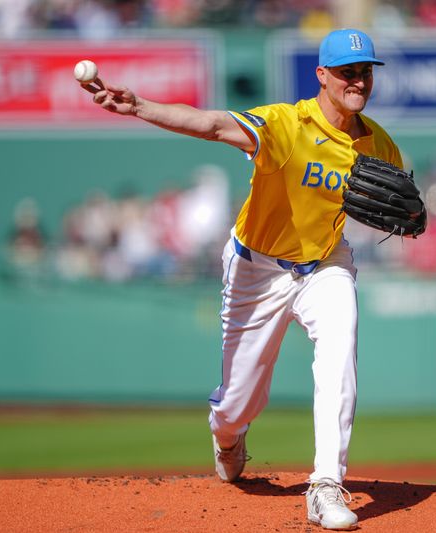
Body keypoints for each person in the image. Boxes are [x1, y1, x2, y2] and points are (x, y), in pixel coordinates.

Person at [87, 28, 403, 531]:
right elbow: (212, 124)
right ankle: (228, 436)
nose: (358, 80)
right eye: (347, 71)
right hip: (257, 268)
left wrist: (411, 219)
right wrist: (140, 106)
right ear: (322, 76)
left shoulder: (379, 144)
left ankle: (325, 485)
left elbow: (394, 208)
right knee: (238, 403)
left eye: (365, 71)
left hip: (325, 264)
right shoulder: (285, 124)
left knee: (340, 349)